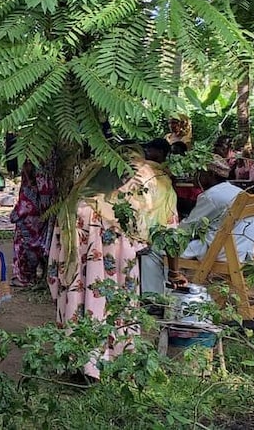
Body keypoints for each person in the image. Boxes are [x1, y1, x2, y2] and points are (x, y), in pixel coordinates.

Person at [47, 148, 177, 378]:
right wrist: (175, 273)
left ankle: (80, 360)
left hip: (77, 223)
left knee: (80, 291)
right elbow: (170, 235)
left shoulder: (98, 171)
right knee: (115, 294)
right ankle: (114, 360)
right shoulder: (153, 179)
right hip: (113, 236)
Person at [176, 155, 254, 267]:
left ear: (210, 175)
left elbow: (189, 228)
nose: (194, 177)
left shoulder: (211, 196)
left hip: (222, 252)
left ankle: (165, 282)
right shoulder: (237, 191)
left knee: (158, 251)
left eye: (198, 172)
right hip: (244, 250)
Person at [9, 160, 56, 287]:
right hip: (39, 206)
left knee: (25, 242)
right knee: (33, 241)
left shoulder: (36, 160)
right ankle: (30, 275)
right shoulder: (46, 162)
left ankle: (26, 276)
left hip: (31, 207)